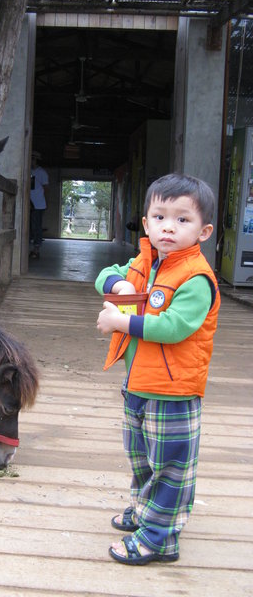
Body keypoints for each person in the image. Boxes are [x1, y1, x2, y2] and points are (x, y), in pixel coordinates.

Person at [95, 174, 221, 566]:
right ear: (146, 224)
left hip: (174, 391)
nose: (169, 226)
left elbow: (173, 327)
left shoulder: (196, 278)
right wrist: (119, 287)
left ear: (204, 231)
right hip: (138, 385)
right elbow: (105, 274)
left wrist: (121, 323)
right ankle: (144, 511)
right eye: (160, 216)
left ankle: (159, 537)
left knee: (170, 466)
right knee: (142, 457)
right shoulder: (147, 262)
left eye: (183, 220)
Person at [29, 151, 49, 259]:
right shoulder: (28, 171)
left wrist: (43, 201)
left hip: (38, 205)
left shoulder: (42, 173)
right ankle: (30, 248)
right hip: (29, 204)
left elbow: (46, 189)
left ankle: (36, 249)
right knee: (29, 228)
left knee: (36, 227)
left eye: (33, 159)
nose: (31, 161)